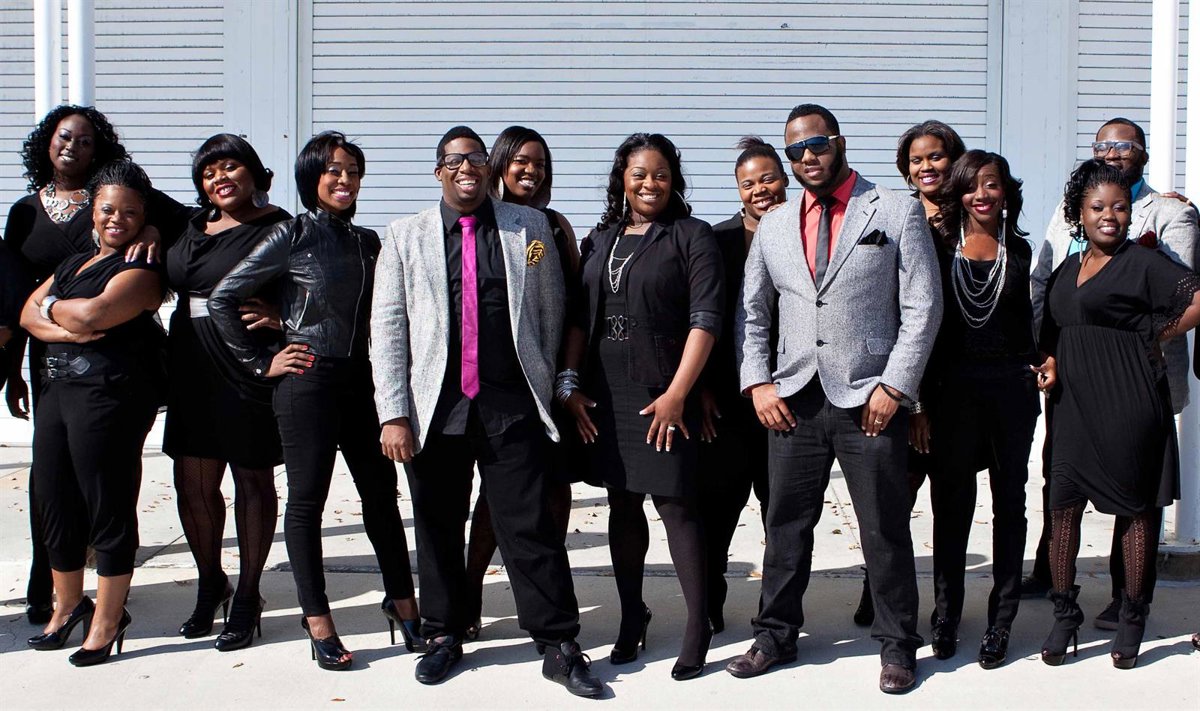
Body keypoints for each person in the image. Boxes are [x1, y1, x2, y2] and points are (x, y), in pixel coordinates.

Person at [370, 125, 602, 697]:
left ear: (487, 167)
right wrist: (393, 413)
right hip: (436, 409)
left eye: (474, 157)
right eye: (453, 161)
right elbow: (389, 329)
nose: (465, 168)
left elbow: (550, 311)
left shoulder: (530, 229)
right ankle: (443, 634)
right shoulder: (404, 236)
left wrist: (550, 388)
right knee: (437, 526)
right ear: (438, 172)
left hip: (512, 406)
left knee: (530, 528)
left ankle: (557, 643)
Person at [728, 103, 942, 694]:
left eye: (816, 144)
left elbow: (923, 305)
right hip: (793, 400)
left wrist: (895, 386)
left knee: (884, 528)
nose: (807, 157)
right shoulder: (775, 223)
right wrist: (757, 382)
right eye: (795, 150)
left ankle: (897, 644)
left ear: (839, 142)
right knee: (786, 526)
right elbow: (752, 313)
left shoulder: (893, 209)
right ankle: (775, 634)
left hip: (869, 399)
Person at [209, 131, 420, 670]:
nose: (345, 179)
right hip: (307, 382)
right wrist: (262, 361)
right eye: (333, 170)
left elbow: (385, 313)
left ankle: (403, 603)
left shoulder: (370, 242)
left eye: (352, 171)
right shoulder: (291, 234)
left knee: (381, 497)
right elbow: (223, 298)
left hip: (363, 383)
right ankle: (317, 618)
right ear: (312, 178)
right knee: (307, 502)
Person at [3, 104, 186, 626]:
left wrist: (152, 229)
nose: (73, 147)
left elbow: (188, 221)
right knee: (52, 483)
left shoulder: (116, 199)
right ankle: (50, 589)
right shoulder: (25, 211)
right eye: (65, 137)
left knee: (104, 482)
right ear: (46, 141)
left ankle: (106, 600)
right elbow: (17, 299)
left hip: (112, 358)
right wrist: (21, 362)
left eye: (85, 140)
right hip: (50, 356)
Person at [1025, 117, 1199, 628]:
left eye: (1125, 145)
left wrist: (1152, 336)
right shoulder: (1069, 216)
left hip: (1133, 378)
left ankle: (1128, 601)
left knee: (1134, 496)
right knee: (1063, 487)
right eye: (1104, 145)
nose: (1114, 152)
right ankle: (1057, 587)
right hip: (1074, 379)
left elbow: (1179, 287)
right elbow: (1046, 282)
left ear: (1143, 153)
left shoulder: (1169, 212)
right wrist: (1046, 352)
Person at [563, 132, 722, 681]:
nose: (650, 183)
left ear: (673, 180)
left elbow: (706, 319)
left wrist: (677, 394)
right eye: (639, 174)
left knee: (676, 504)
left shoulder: (691, 236)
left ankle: (698, 625)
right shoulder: (600, 237)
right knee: (622, 503)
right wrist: (569, 384)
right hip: (605, 392)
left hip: (664, 390)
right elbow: (579, 317)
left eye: (660, 174)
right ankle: (633, 615)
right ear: (622, 181)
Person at [20, 159, 166, 666]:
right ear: (93, 213)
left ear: (143, 218)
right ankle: (67, 607)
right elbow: (26, 312)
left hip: (109, 397)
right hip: (57, 394)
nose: (116, 219)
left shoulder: (141, 270)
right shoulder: (74, 264)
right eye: (107, 209)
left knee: (107, 504)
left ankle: (107, 620)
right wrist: (63, 324)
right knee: (54, 502)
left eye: (129, 212)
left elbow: (94, 313)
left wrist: (54, 310)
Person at [164, 134, 291, 650]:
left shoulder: (279, 226)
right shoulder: (189, 226)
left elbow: (317, 284)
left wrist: (285, 320)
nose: (220, 177)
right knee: (193, 483)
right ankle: (211, 582)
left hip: (245, 362)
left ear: (254, 172)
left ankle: (249, 594)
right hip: (190, 363)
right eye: (208, 171)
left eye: (230, 166)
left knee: (251, 480)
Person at [843, 120, 969, 629]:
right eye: (916, 160)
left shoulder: (974, 218)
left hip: (959, 382)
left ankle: (947, 610)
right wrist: (913, 402)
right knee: (890, 504)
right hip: (908, 380)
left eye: (936, 156)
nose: (926, 167)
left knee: (952, 505)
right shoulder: (896, 216)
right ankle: (880, 593)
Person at [923, 150, 1043, 669]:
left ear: (1005, 191)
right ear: (959, 192)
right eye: (972, 185)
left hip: (1011, 393)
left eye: (991, 184)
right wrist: (919, 402)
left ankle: (1001, 620)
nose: (982, 194)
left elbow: (1034, 322)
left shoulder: (1021, 250)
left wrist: (1045, 361)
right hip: (951, 393)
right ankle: (946, 614)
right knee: (951, 507)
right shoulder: (936, 246)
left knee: (1009, 506)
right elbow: (922, 324)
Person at [462, 125, 582, 641]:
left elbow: (574, 308)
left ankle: (547, 599)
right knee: (495, 499)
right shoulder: (478, 222)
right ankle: (469, 591)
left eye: (540, 164)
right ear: (499, 164)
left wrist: (567, 379)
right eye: (521, 161)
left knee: (553, 494)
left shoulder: (551, 227)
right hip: (494, 389)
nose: (531, 171)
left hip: (548, 386)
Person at [700, 136, 786, 634]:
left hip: (788, 402)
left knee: (782, 517)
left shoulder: (805, 232)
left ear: (785, 179)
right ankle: (710, 601)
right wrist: (704, 389)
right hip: (727, 406)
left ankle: (774, 612)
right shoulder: (717, 241)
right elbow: (703, 320)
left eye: (767, 178)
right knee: (717, 513)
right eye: (748, 183)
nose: (759, 190)